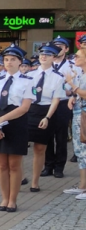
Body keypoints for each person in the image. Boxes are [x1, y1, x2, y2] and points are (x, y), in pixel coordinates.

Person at [0, 45, 34, 212]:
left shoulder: (28, 81)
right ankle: (4, 198)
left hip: (16, 121)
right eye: (6, 59)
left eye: (13, 59)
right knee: (1, 165)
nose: (9, 62)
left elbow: (24, 108)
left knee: (14, 164)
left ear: (20, 62)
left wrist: (1, 120)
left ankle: (13, 200)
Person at [27, 44, 65, 192]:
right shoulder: (30, 75)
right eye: (42, 54)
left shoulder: (57, 78)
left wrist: (47, 117)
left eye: (48, 55)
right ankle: (21, 176)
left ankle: (35, 182)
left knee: (40, 148)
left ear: (53, 58)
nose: (43, 57)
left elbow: (56, 100)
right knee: (20, 146)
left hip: (46, 111)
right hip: (29, 110)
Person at [42, 36, 76, 178]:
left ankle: (59, 167)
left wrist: (71, 90)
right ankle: (48, 165)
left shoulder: (71, 66)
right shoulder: (46, 65)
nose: (58, 49)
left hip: (63, 102)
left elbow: (77, 85)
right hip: (46, 103)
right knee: (46, 136)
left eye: (61, 46)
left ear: (67, 49)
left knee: (61, 136)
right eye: (55, 46)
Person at [64, 48, 86, 198]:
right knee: (79, 150)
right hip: (79, 113)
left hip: (84, 115)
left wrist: (73, 85)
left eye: (78, 55)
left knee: (85, 150)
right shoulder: (82, 74)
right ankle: (82, 185)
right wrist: (73, 96)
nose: (75, 58)